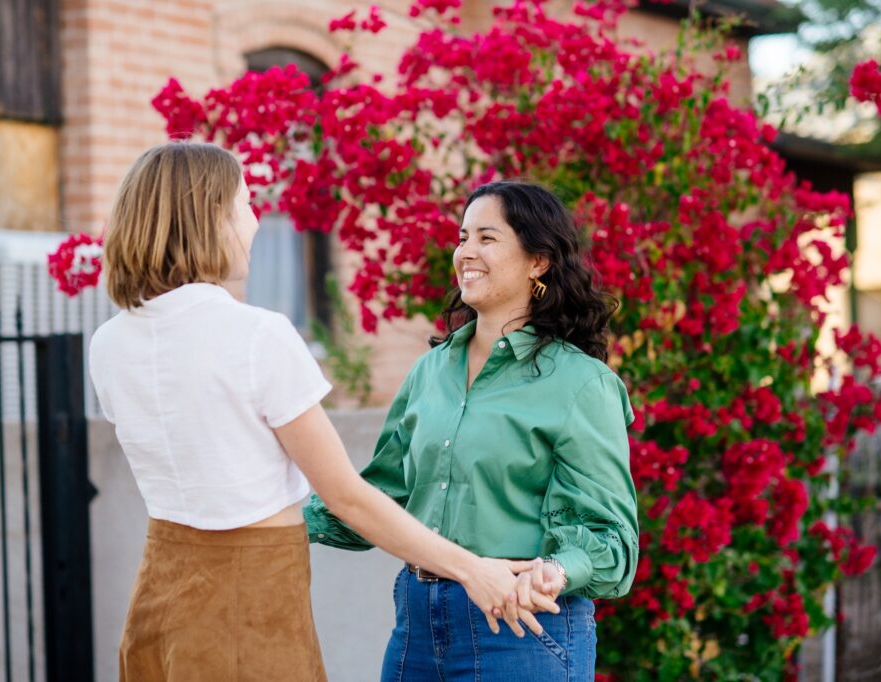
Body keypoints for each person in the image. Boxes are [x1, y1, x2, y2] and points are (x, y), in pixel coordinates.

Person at [88, 144, 557, 682]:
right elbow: (348, 498)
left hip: (157, 590)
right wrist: (475, 571)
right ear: (209, 217)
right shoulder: (255, 336)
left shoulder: (108, 344)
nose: (256, 220)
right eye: (245, 204)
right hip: (251, 597)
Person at [305, 181, 639, 681]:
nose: (466, 252)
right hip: (416, 626)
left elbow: (613, 539)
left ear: (538, 261)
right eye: (462, 238)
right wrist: (279, 520)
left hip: (522, 630)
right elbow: (377, 498)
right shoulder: (430, 372)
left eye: (487, 238)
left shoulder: (580, 384)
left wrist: (559, 570)